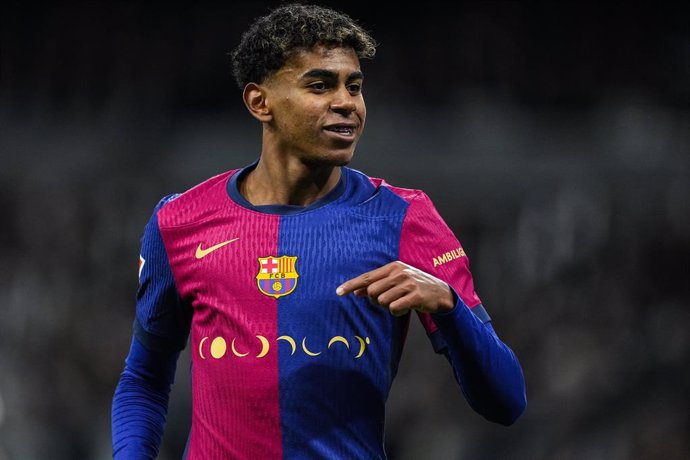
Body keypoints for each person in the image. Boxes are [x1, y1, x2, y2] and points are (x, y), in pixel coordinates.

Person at [111, 3, 527, 459]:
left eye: (354, 86)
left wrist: (449, 307)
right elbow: (145, 380)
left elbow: (506, 402)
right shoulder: (180, 221)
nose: (346, 102)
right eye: (320, 85)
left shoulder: (406, 217)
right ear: (259, 102)